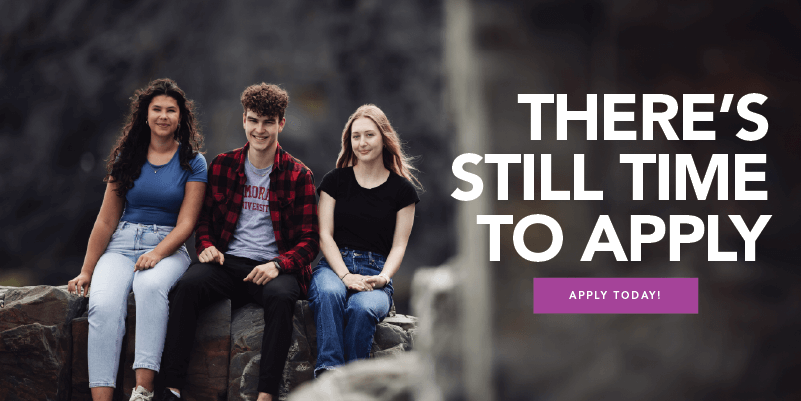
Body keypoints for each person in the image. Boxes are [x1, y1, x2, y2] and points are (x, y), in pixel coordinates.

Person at [156, 83, 319, 401]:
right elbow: (203, 222)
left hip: (274, 269)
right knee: (187, 287)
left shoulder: (299, 175)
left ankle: (265, 394)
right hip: (227, 263)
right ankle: (171, 387)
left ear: (280, 124)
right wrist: (206, 246)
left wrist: (278, 265)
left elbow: (310, 241)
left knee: (282, 299)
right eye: (254, 120)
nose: (260, 129)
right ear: (244, 120)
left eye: (268, 122)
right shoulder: (223, 165)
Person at [67, 78, 207, 401]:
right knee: (102, 305)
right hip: (122, 243)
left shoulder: (193, 162)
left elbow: (187, 224)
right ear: (145, 114)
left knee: (149, 286)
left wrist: (157, 253)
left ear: (180, 118)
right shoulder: (127, 158)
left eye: (171, 110)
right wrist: (87, 270)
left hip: (168, 245)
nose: (163, 116)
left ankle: (142, 392)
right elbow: (106, 220)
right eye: (156, 109)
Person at [309, 104, 421, 377]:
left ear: (384, 137)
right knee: (329, 293)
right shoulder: (334, 181)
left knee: (361, 309)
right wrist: (345, 275)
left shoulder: (402, 191)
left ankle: (354, 381)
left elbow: (399, 245)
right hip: (335, 266)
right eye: (355, 136)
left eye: (369, 135)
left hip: (376, 272)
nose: (362, 142)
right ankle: (329, 372)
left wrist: (384, 277)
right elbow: (324, 235)